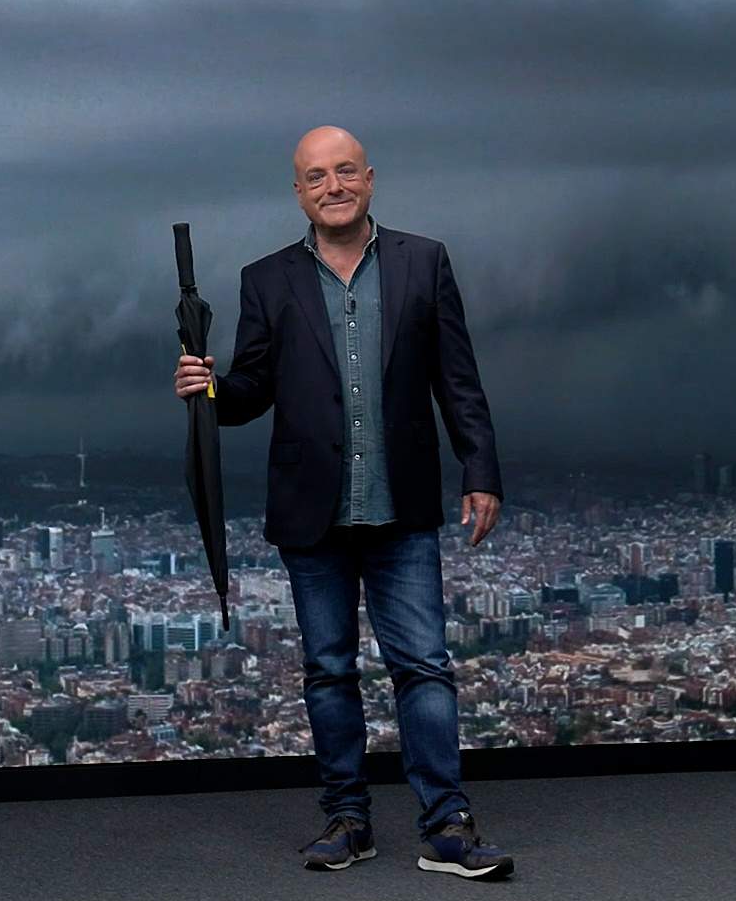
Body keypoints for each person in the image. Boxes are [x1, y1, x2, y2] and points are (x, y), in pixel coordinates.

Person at [173, 125, 513, 880]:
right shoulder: (266, 279)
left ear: (369, 179)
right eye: (316, 175)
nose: (333, 185)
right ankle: (347, 819)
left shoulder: (423, 261)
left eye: (345, 171)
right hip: (311, 509)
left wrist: (480, 470)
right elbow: (253, 388)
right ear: (298, 191)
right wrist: (212, 389)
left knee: (424, 666)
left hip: (402, 505)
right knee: (328, 670)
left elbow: (457, 377)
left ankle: (446, 825)